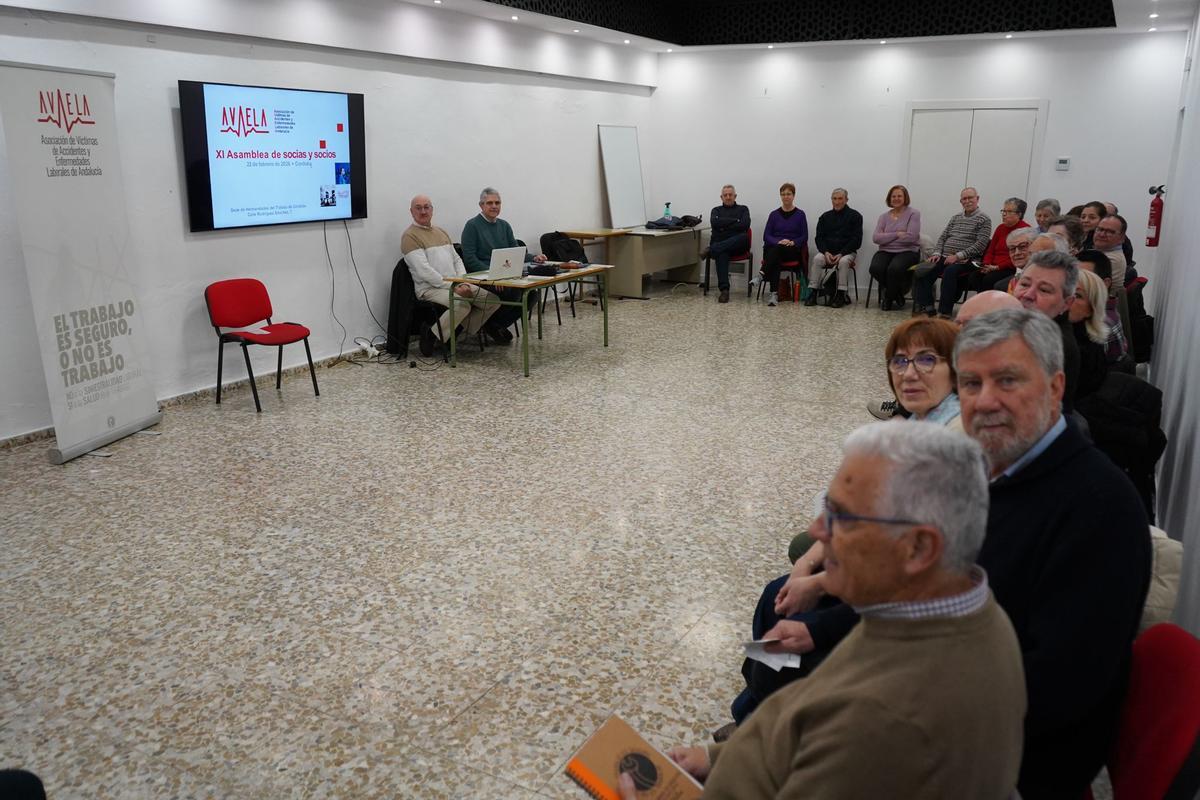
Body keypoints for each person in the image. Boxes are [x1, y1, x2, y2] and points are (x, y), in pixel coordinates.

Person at [633, 423, 1025, 800]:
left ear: (918, 548)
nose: (818, 532)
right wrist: (718, 759)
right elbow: (806, 727)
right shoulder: (963, 611)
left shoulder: (883, 722)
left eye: (842, 517)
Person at [955, 308, 1151, 798]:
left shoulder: (1099, 507)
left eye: (1007, 380)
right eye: (970, 383)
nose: (985, 401)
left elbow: (1057, 685)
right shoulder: (987, 472)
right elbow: (918, 587)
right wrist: (822, 629)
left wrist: (906, 701)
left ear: (1056, 387)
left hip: (1014, 757)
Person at [737, 317, 967, 720]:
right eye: (900, 361)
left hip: (907, 603)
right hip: (872, 567)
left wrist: (822, 579)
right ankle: (755, 706)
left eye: (927, 360)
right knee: (778, 595)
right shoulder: (918, 421)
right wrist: (809, 564)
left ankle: (765, 717)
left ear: (956, 369)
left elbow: (909, 571)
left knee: (789, 613)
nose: (909, 373)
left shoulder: (950, 442)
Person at [402, 194, 499, 355]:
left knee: (493, 301)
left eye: (427, 207)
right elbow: (424, 272)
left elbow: (457, 260)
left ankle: (452, 332)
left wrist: (462, 281)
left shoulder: (441, 232)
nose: (423, 211)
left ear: (432, 210)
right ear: (411, 212)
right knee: (462, 303)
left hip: (455, 283)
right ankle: (432, 337)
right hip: (430, 288)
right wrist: (454, 286)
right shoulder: (409, 236)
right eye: (418, 208)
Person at [461, 187, 547, 337]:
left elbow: (515, 251)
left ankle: (494, 325)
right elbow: (470, 260)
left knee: (532, 295)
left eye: (497, 202)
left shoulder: (504, 225)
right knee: (512, 294)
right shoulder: (472, 226)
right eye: (490, 203)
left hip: (503, 276)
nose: (494, 206)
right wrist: (494, 275)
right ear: (481, 205)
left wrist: (534, 257)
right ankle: (492, 326)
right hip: (483, 277)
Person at [931, 197, 1029, 318]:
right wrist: (986, 264)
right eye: (1003, 211)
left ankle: (986, 312)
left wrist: (997, 267)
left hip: (1008, 267)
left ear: (1019, 214)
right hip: (990, 265)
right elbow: (990, 249)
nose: (1004, 214)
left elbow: (1018, 256)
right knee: (974, 277)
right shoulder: (1000, 228)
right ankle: (981, 309)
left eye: (1008, 212)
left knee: (987, 279)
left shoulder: (1025, 230)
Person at [1012, 249, 1084, 411]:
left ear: (1067, 303)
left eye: (1044, 290)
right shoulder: (1015, 325)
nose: (1028, 295)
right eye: (1024, 284)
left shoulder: (1053, 346)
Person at [912, 187, 993, 316]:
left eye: (970, 198)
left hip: (970, 260)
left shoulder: (984, 219)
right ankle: (927, 307)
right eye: (964, 199)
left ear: (977, 199)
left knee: (950, 271)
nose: (967, 201)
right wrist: (937, 253)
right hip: (946, 256)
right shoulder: (955, 218)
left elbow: (980, 245)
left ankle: (945, 312)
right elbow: (943, 237)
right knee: (922, 269)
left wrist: (957, 256)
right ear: (961, 201)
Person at [868, 184, 921, 310]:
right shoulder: (883, 217)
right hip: (885, 251)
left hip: (908, 251)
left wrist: (886, 237)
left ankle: (888, 298)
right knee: (875, 268)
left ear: (905, 197)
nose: (896, 198)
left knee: (894, 269)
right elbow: (876, 238)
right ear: (889, 198)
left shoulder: (914, 213)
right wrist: (897, 234)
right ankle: (897, 293)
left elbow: (912, 237)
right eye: (893, 196)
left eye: (899, 196)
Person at [808, 187, 863, 308]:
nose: (837, 202)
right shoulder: (824, 217)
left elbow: (857, 240)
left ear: (846, 199)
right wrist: (826, 252)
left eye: (840, 198)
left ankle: (841, 294)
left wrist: (842, 253)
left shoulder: (856, 216)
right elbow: (819, 238)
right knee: (817, 259)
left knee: (843, 262)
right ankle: (813, 291)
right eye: (834, 199)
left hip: (846, 253)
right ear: (831, 200)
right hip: (827, 252)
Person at [756, 183, 806, 307]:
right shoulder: (773, 214)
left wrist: (792, 242)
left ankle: (761, 275)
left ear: (793, 195)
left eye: (788, 194)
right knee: (776, 255)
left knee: (776, 253)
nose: (786, 197)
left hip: (791, 250)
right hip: (774, 248)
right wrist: (778, 241)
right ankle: (774, 295)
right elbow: (766, 236)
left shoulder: (800, 214)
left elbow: (804, 236)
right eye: (783, 194)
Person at [1067, 268, 1110, 401]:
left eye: (1078, 295)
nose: (1068, 298)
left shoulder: (1080, 350)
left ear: (1091, 309)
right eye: (1065, 291)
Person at [706, 184, 751, 304]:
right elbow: (715, 223)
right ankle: (724, 291)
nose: (728, 197)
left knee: (743, 236)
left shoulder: (743, 209)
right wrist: (736, 222)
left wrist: (723, 227)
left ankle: (711, 249)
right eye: (725, 195)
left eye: (730, 194)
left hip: (739, 245)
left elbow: (745, 225)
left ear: (735, 196)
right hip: (722, 245)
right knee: (722, 252)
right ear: (721, 197)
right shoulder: (716, 210)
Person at [1093, 214, 1130, 287]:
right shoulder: (1102, 252)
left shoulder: (1112, 259)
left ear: (1122, 238)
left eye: (1110, 232)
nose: (1102, 234)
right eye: (1100, 229)